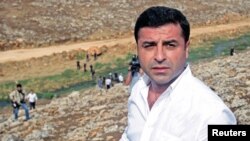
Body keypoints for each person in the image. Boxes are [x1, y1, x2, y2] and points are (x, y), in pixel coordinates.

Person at [120, 6, 236, 141]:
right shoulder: (138, 90)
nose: (159, 56)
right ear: (138, 50)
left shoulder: (213, 115)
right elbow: (130, 135)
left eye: (170, 45)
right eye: (149, 46)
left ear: (186, 49)